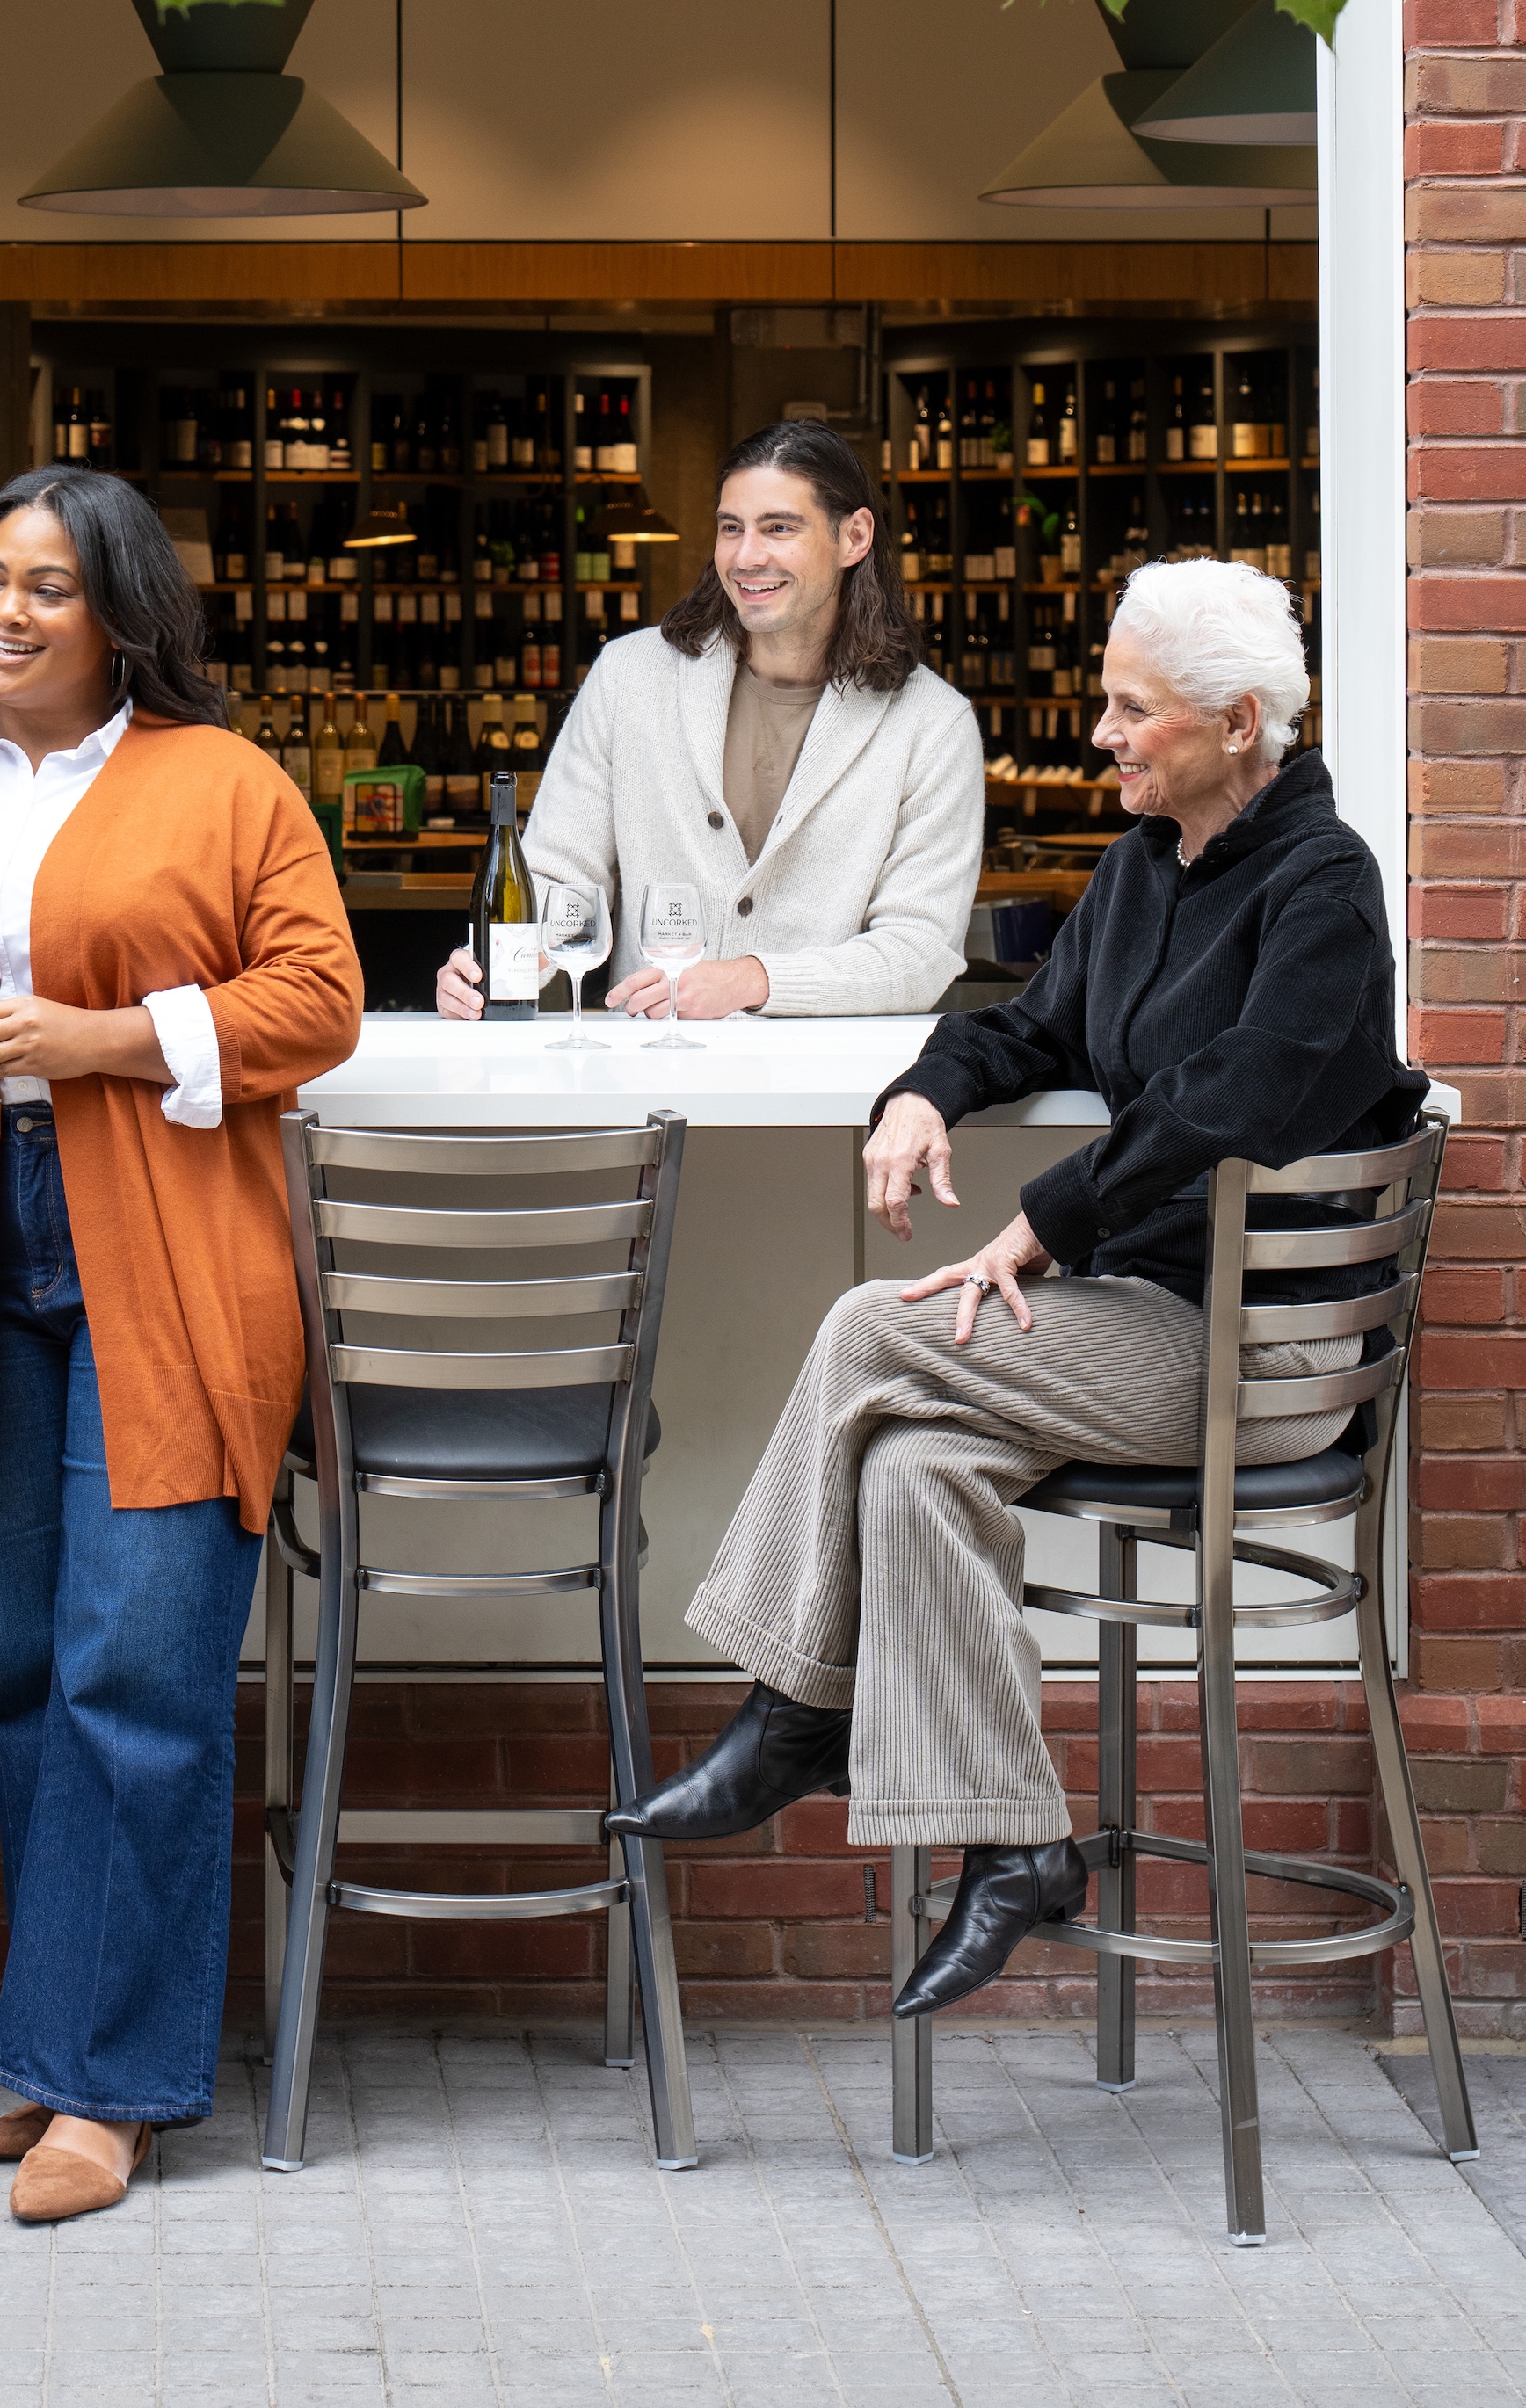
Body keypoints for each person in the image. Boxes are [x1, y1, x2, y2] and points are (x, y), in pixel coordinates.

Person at [607, 560, 1426, 2015]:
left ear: (1240, 723)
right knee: (914, 1465)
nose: (1100, 730)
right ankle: (1015, 1841)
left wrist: (1039, 1221)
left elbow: (1235, 1093)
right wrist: (923, 1089)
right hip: (1150, 1327)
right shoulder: (1136, 869)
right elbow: (1021, 1023)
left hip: (1264, 1353)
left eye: (1131, 707)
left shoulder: (1324, 885)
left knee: (870, 1320)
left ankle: (796, 1701)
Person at [0, 468, 361, 2224]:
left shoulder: (226, 780)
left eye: (46, 584)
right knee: (31, 1656)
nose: (4, 607)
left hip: (166, 1251)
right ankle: (55, 2042)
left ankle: (110, 2088)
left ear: (121, 612)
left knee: (143, 1653)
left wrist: (104, 1035)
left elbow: (317, 996)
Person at [437, 420, 981, 1025]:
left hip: (829, 1097)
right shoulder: (628, 678)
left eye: (779, 527)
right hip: (644, 1079)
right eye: (731, 528)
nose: (747, 556)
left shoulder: (934, 726)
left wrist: (753, 979)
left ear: (853, 537)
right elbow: (557, 874)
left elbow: (920, 950)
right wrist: (498, 961)